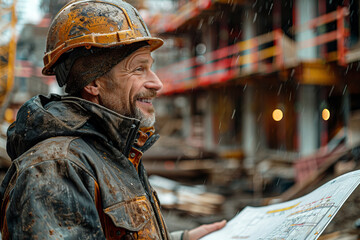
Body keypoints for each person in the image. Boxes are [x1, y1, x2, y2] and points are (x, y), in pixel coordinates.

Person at [0, 0, 226, 239]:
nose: (157, 83)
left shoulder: (110, 151)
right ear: (93, 83)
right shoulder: (55, 167)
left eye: (150, 67)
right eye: (139, 69)